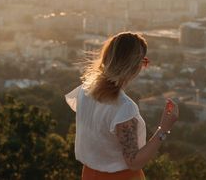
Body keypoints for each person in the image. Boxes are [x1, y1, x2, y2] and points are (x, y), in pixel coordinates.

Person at [65, 32, 179, 180]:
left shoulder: (85, 91)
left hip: (88, 174)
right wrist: (164, 129)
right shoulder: (124, 108)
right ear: (134, 66)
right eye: (143, 62)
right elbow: (134, 162)